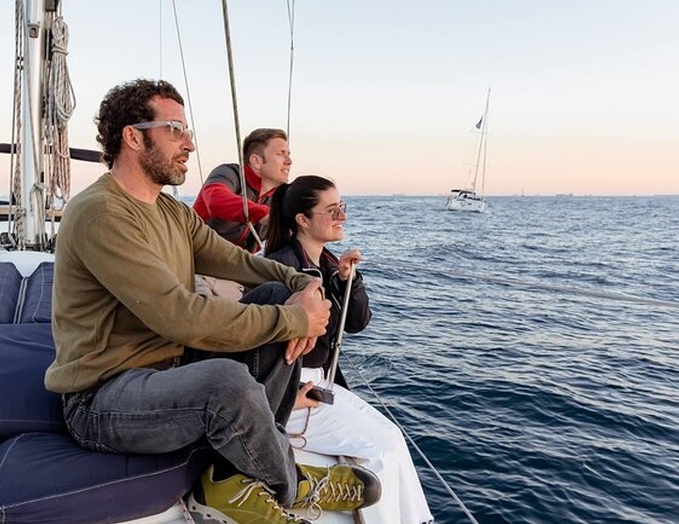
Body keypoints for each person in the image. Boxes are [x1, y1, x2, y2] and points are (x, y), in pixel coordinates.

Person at [45, 79, 381, 524]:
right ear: (133, 137)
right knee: (226, 383)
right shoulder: (102, 213)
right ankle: (290, 482)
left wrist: (300, 281)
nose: (189, 144)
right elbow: (179, 317)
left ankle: (234, 474)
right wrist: (295, 320)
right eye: (175, 130)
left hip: (169, 368)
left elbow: (236, 260)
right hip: (104, 397)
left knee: (275, 296)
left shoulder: (170, 210)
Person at [265, 175, 435, 524]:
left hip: (320, 382)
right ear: (303, 220)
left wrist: (347, 280)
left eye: (341, 207)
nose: (342, 215)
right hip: (294, 389)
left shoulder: (327, 264)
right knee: (380, 452)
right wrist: (286, 397)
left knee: (393, 437)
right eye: (332, 210)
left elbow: (357, 322)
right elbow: (265, 344)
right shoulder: (281, 270)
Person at [192, 128, 291, 253]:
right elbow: (215, 199)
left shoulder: (279, 197)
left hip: (237, 261)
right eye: (281, 154)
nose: (289, 161)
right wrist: (263, 214)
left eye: (288, 154)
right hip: (194, 255)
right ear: (257, 161)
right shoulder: (230, 174)